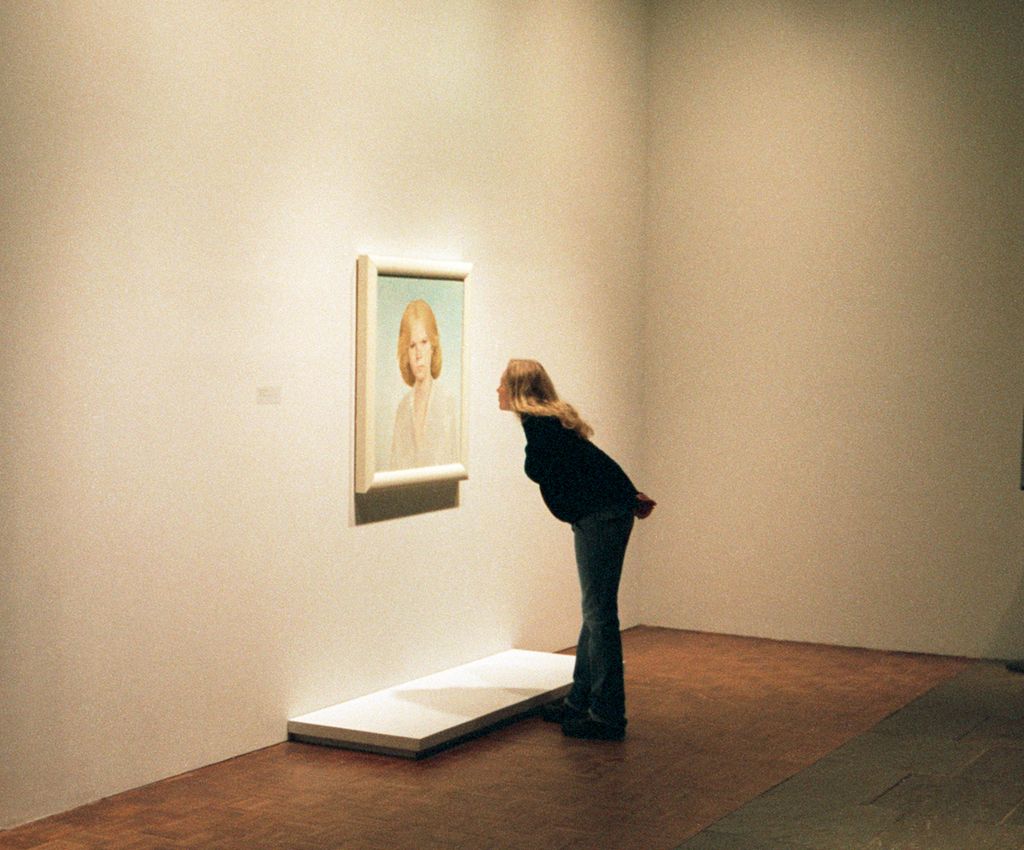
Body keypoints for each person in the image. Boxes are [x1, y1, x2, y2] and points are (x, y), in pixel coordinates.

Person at [498, 359, 656, 740]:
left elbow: (584, 465)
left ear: (518, 389)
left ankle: (607, 715)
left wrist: (625, 494)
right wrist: (628, 492)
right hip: (601, 514)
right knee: (595, 610)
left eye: (502, 384)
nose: (497, 391)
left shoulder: (542, 427)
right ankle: (580, 700)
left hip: (600, 517)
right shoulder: (548, 423)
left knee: (600, 614)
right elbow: (592, 461)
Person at [390, 300, 459, 470]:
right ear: (405, 352)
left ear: (433, 347)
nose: (419, 354)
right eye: (412, 346)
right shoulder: (402, 409)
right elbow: (394, 468)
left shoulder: (448, 402)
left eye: (424, 342)